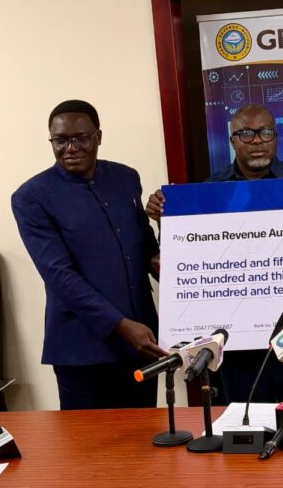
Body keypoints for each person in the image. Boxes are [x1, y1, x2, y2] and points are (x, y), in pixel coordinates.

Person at [146, 104, 283, 404]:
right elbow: (186, 257)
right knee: (242, 422)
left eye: (265, 132)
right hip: (236, 341)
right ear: (232, 140)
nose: (257, 140)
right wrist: (166, 217)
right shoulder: (207, 192)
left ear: (276, 137)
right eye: (246, 133)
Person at [12, 100, 167, 410]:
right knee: (89, 440)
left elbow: (146, 250)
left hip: (142, 343)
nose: (70, 148)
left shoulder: (126, 178)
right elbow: (59, 276)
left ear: (98, 136)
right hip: (83, 351)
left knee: (145, 436)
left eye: (81, 138)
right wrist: (121, 325)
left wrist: (168, 226)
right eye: (60, 140)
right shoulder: (31, 197)